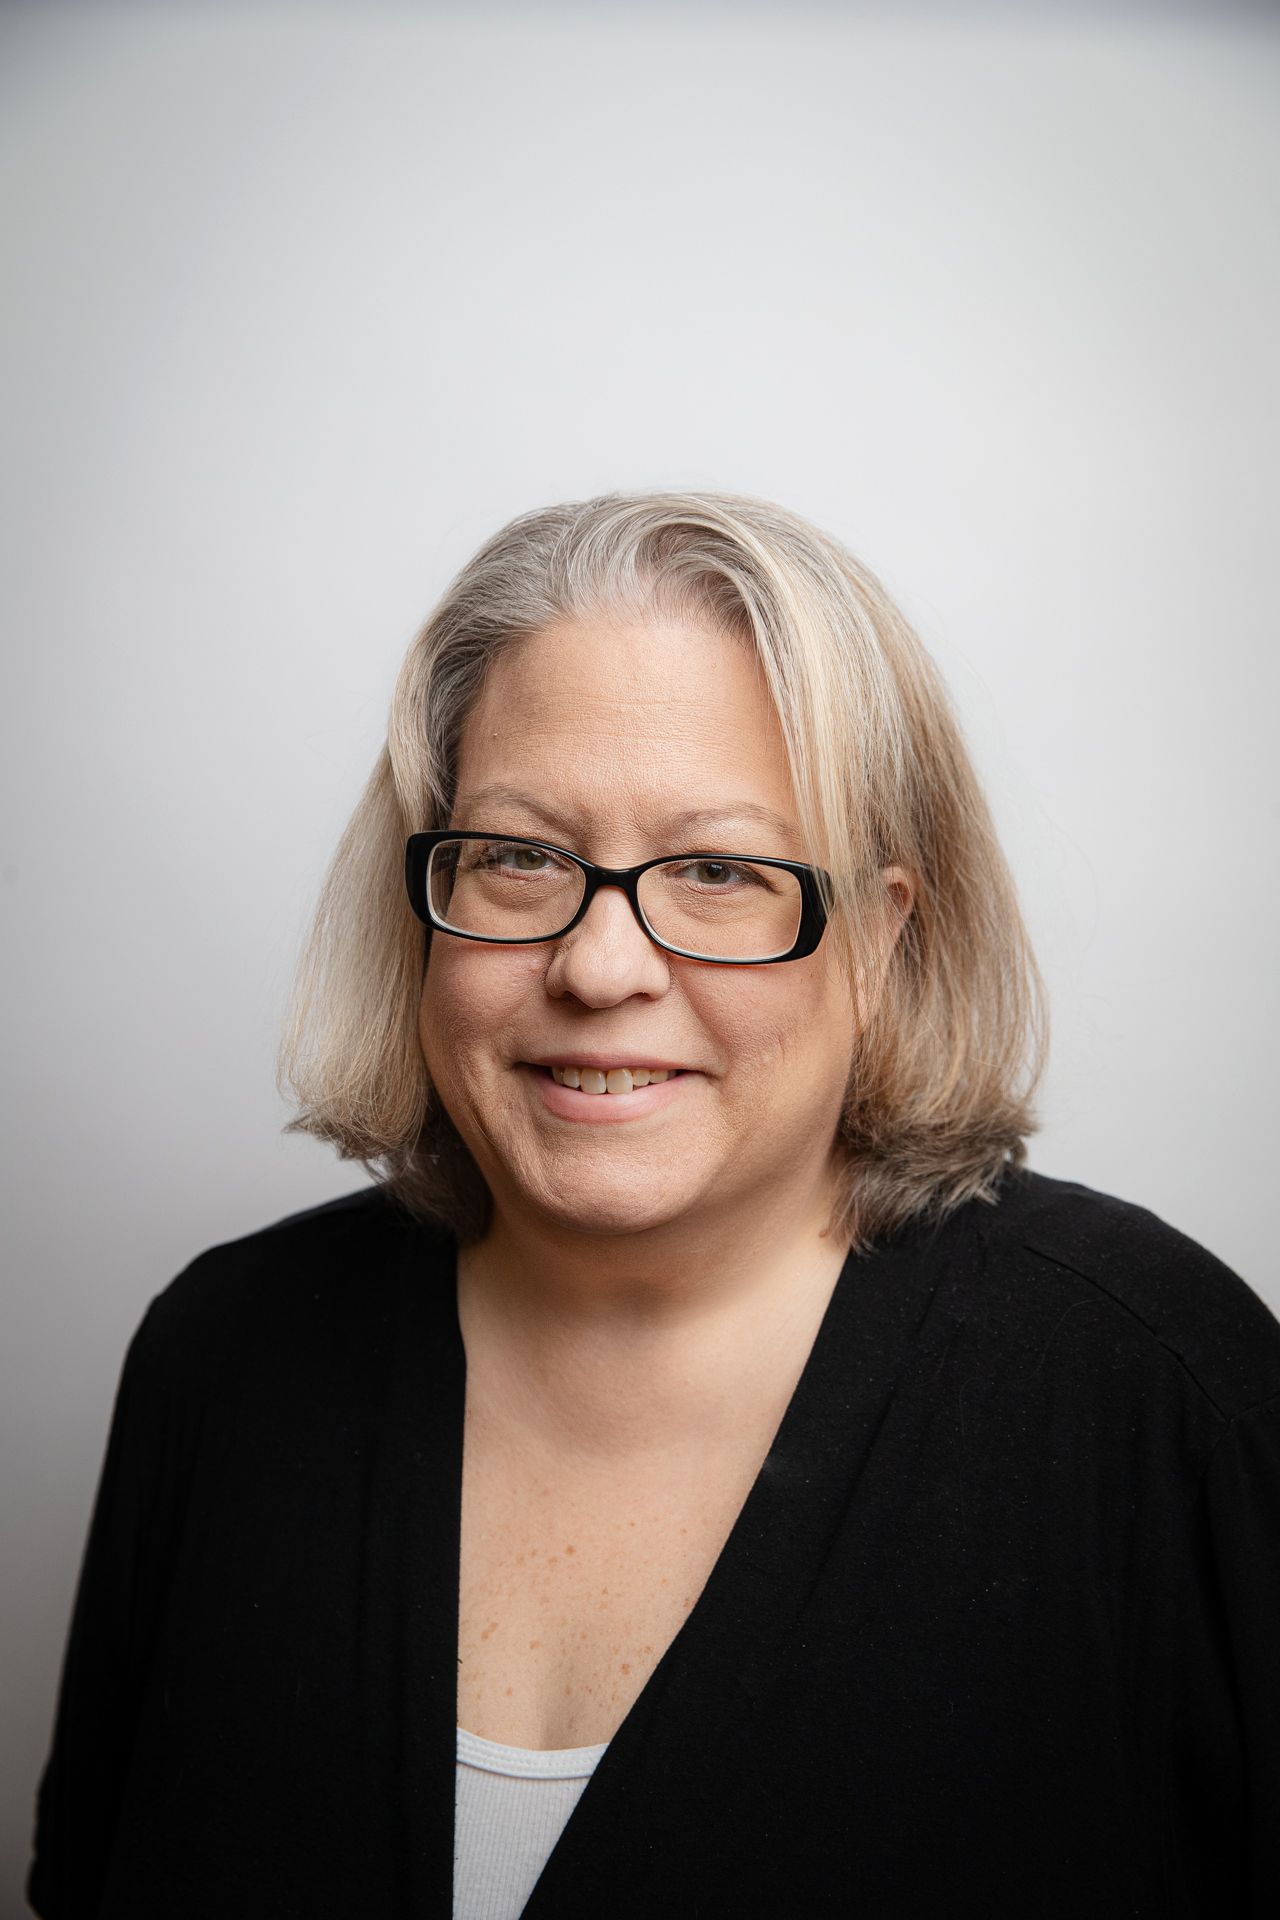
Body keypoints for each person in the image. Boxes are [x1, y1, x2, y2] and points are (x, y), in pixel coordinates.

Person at [28, 492, 1280, 1918]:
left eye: (720, 871)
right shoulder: (225, 1359)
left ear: (884, 931)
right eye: (518, 857)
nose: (600, 966)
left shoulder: (1164, 1398)